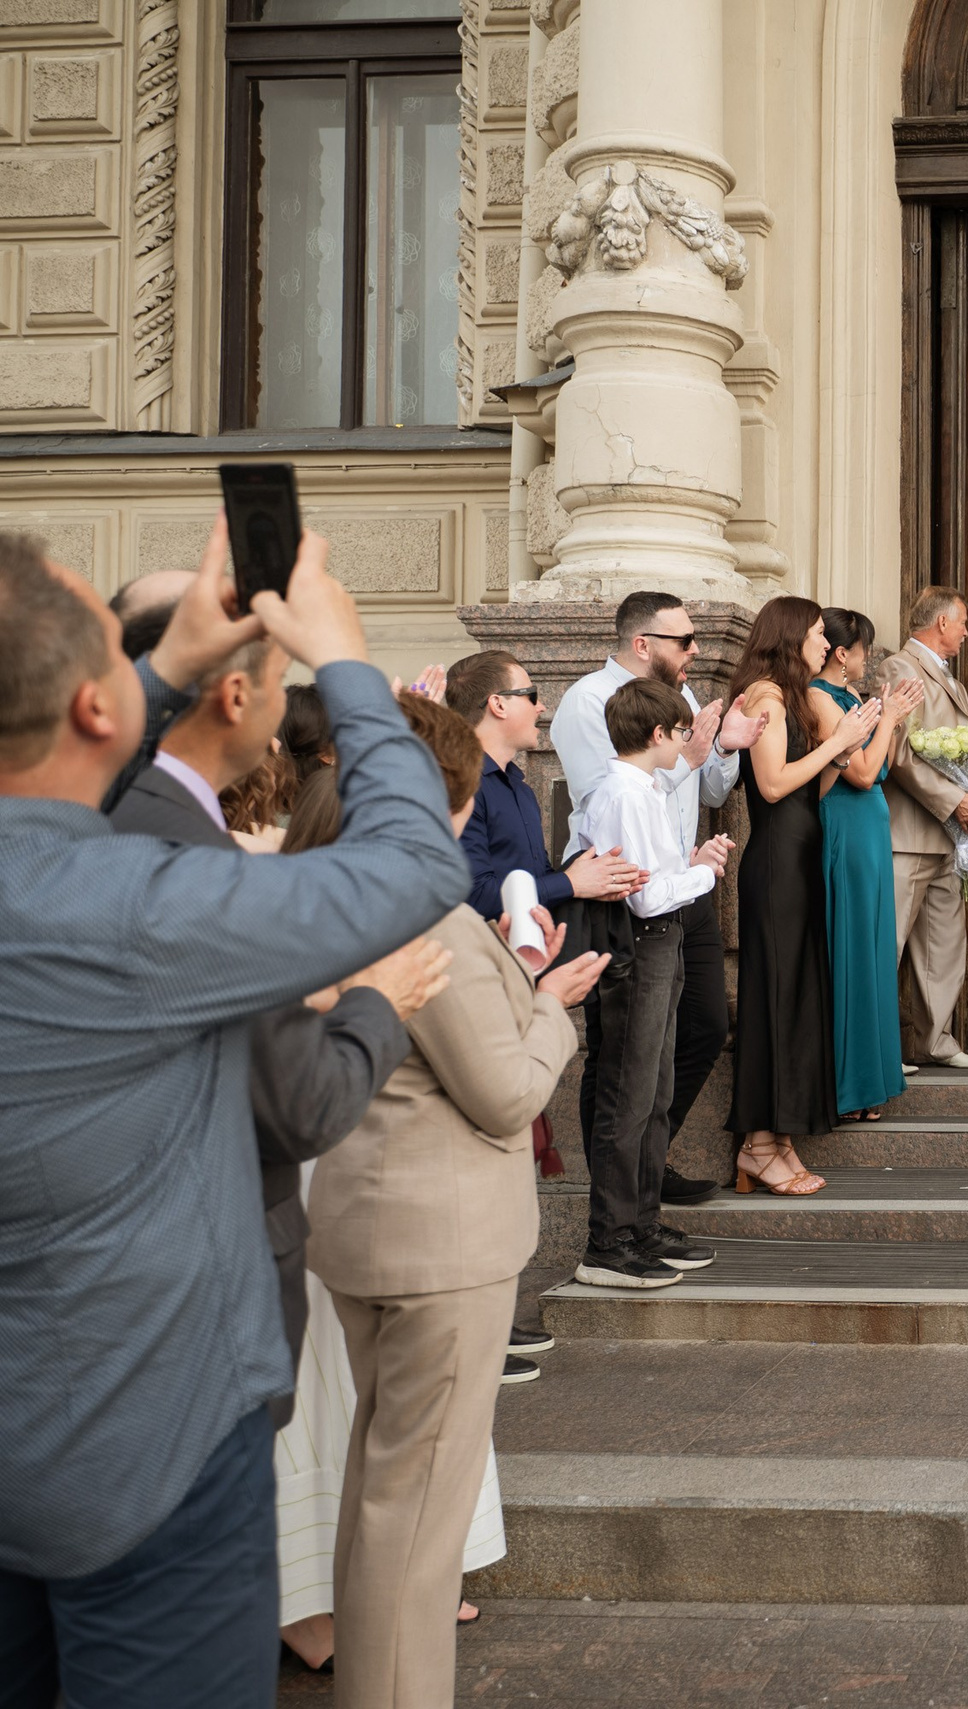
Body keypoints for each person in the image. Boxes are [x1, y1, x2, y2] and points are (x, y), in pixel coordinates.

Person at [0, 521, 467, 1707]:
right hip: (145, 1443)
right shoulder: (136, 897)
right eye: (119, 647)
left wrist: (155, 673)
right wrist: (349, 662)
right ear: (96, 714)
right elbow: (415, 862)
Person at [309, 692, 601, 1709]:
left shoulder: (340, 886)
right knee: (417, 1520)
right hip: (440, 1243)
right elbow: (504, 1091)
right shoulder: (425, 905)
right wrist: (552, 1006)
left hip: (370, 1220)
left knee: (383, 1492)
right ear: (457, 785)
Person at [552, 592, 765, 1205]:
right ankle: (615, 1182)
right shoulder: (588, 700)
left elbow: (710, 788)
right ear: (643, 644)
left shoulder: (687, 697)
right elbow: (610, 796)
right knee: (616, 1047)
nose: (696, 650)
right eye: (684, 640)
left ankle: (645, 1163)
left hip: (683, 882)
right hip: (624, 889)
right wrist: (691, 756)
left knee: (702, 1023)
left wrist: (726, 748)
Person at [571, 677, 734, 1287]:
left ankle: (641, 1224)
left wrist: (689, 865)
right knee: (629, 1095)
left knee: (655, 1090)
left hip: (657, 944)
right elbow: (642, 896)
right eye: (682, 733)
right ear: (657, 734)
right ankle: (607, 1241)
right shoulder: (625, 794)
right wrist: (704, 876)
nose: (686, 744)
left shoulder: (638, 789)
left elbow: (654, 870)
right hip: (642, 945)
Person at [729, 596, 880, 1192]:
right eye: (818, 634)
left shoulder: (787, 697)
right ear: (792, 635)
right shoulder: (765, 694)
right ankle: (758, 1145)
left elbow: (808, 794)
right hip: (774, 863)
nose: (825, 644)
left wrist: (846, 747)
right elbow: (769, 787)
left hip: (802, 852)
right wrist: (836, 740)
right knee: (775, 997)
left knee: (796, 998)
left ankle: (780, 1141)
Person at [878, 586, 968, 1070]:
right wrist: (951, 800)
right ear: (941, 623)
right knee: (890, 943)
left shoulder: (955, 684)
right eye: (962, 622)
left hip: (952, 841)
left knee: (944, 943)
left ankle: (936, 1042)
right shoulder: (899, 668)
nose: (965, 632)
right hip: (910, 833)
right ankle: (878, 1051)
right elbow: (897, 753)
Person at [817, 607, 928, 1119]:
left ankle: (871, 1079)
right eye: (864, 649)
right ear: (843, 654)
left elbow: (879, 765)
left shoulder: (852, 697)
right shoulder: (823, 699)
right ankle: (852, 1086)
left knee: (875, 947)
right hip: (849, 823)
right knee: (856, 947)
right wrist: (889, 719)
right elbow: (861, 774)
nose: (868, 658)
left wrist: (888, 721)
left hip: (870, 827)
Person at [449, 648, 642, 923]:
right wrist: (571, 883)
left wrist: (592, 881)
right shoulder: (461, 786)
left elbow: (537, 880)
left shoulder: (520, 789)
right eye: (531, 696)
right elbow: (476, 897)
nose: (540, 707)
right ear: (498, 705)